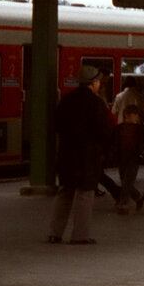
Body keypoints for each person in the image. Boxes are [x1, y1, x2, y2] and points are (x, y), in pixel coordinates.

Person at [48, 65, 111, 244]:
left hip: (67, 154)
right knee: (85, 194)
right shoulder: (97, 103)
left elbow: (57, 124)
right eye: (98, 81)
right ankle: (80, 235)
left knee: (65, 192)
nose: (99, 83)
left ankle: (55, 232)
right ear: (93, 83)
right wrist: (105, 150)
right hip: (87, 156)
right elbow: (103, 131)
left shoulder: (67, 100)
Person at [109, 104, 144, 214]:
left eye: (137, 115)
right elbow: (112, 141)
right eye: (135, 115)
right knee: (125, 181)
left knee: (127, 181)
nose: (137, 117)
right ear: (127, 115)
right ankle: (138, 196)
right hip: (122, 158)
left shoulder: (139, 129)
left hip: (134, 158)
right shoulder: (119, 128)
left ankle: (123, 204)